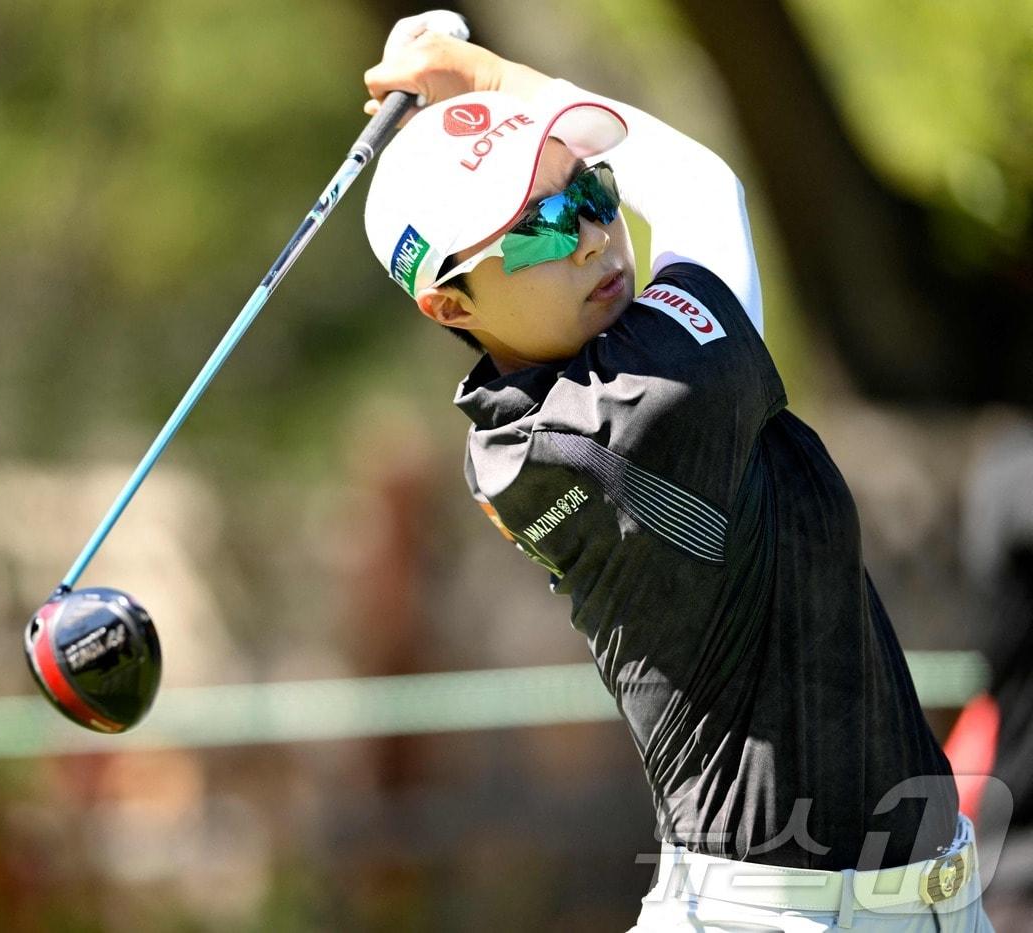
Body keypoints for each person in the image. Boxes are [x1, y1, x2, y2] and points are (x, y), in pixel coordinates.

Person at [360, 16, 995, 932]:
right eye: (534, 230)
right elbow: (701, 187)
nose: (589, 235)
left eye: (588, 187)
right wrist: (491, 74)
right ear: (448, 301)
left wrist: (495, 107)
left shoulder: (513, 424)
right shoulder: (637, 412)